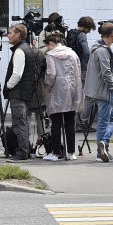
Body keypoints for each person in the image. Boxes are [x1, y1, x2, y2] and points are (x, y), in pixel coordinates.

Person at [43, 33, 83, 161]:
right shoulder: (73, 54)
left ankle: (55, 153)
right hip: (72, 89)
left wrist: (48, 86)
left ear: (51, 44)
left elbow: (51, 74)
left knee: (56, 123)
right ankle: (71, 153)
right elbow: (79, 70)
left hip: (57, 90)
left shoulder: (50, 56)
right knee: (70, 122)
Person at [84, 22, 113, 162]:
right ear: (112, 34)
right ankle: (102, 149)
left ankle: (103, 145)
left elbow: (102, 68)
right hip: (104, 91)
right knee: (104, 122)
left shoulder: (98, 48)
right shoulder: (103, 50)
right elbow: (106, 73)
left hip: (96, 89)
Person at [5, 23, 39, 161]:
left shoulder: (20, 51)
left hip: (18, 93)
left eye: (11, 33)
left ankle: (22, 152)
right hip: (24, 92)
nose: (8, 35)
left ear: (18, 34)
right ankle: (24, 150)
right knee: (22, 123)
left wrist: (8, 86)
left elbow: (17, 74)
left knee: (19, 123)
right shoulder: (27, 48)